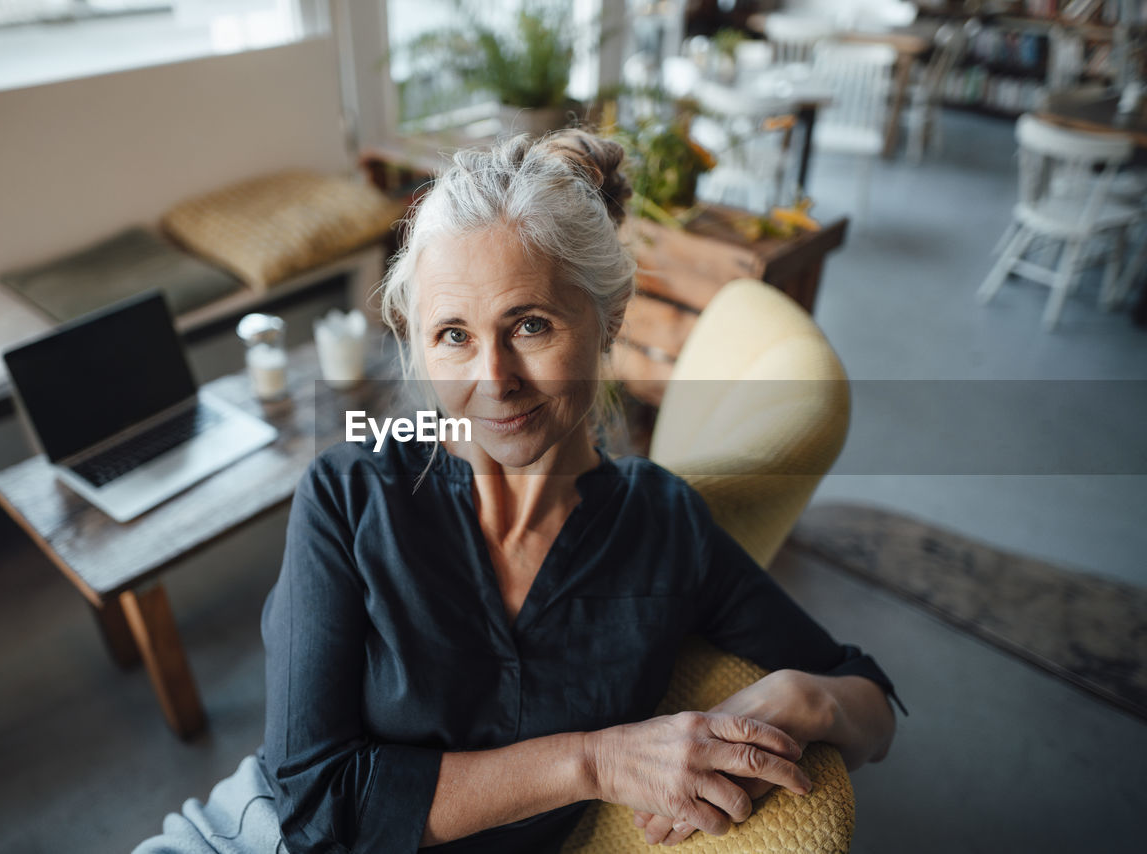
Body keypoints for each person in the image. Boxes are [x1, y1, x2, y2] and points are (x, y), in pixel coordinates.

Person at [132, 128, 900, 854]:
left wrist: (813, 698)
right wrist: (595, 762)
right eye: (454, 336)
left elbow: (867, 695)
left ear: (607, 323)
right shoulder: (351, 492)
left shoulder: (662, 527)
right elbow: (315, 807)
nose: (493, 381)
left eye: (529, 326)